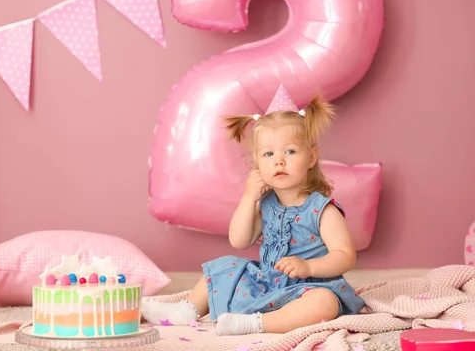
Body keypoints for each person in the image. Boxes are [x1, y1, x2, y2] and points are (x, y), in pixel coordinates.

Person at [141, 86, 365, 335]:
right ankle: (188, 310)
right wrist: (249, 198)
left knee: (324, 303)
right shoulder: (267, 204)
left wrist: (309, 268)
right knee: (225, 265)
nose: (279, 160)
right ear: (258, 164)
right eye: (268, 154)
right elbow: (239, 240)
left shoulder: (321, 210)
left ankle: (255, 324)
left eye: (290, 151)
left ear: (311, 158)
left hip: (307, 288)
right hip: (268, 284)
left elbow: (345, 256)